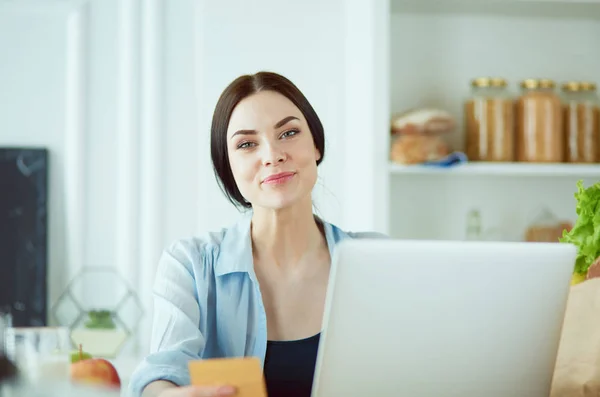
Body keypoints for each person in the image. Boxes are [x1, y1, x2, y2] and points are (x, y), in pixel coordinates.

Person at [128, 71, 384, 397]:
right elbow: (162, 371)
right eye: (247, 144)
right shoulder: (190, 264)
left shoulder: (378, 261)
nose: (272, 155)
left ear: (316, 145)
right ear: (229, 168)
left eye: (289, 133)